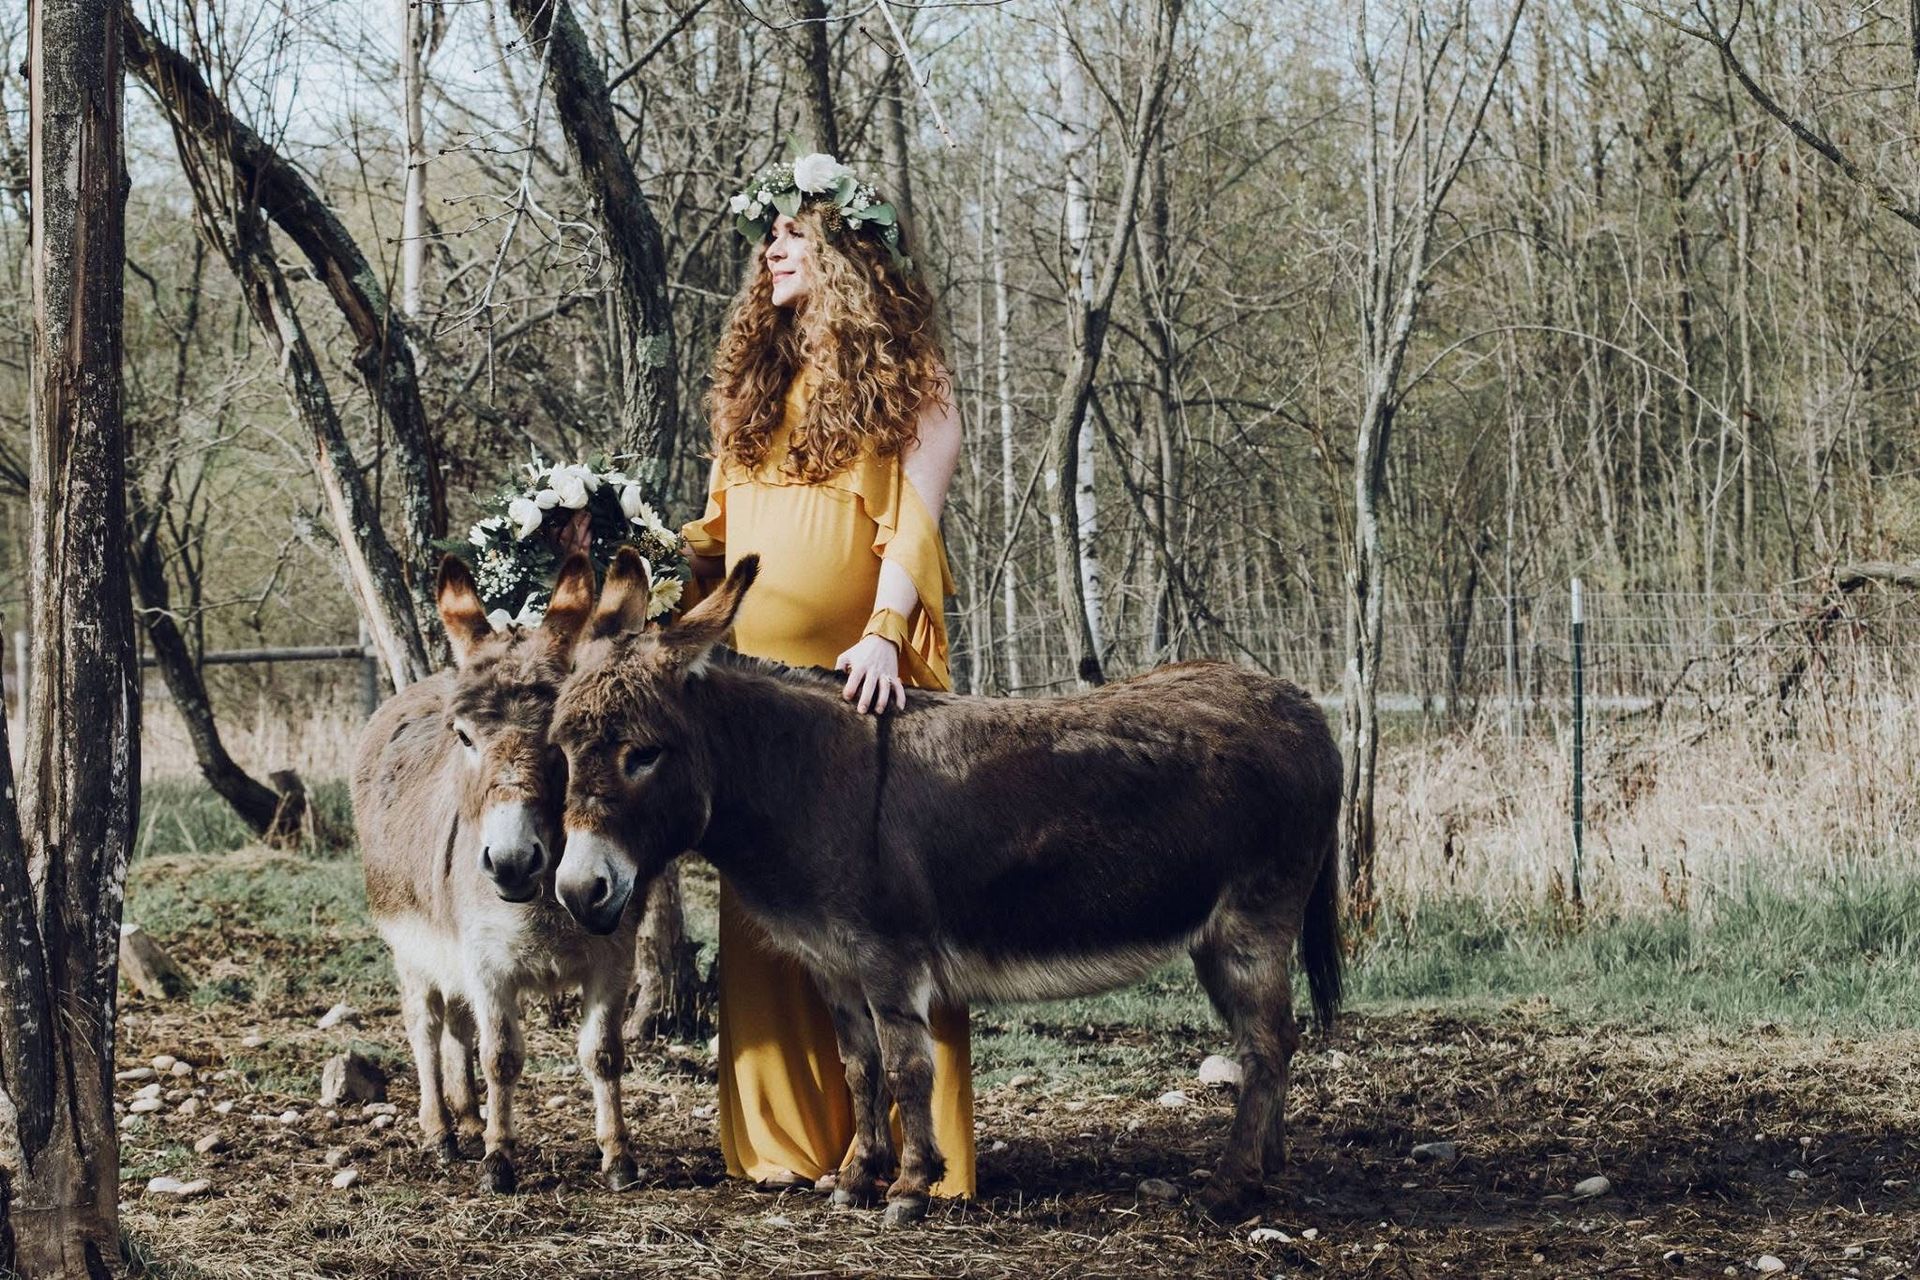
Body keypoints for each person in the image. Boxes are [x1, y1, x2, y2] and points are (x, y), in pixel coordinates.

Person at [680, 154, 975, 1199]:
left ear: (847, 252)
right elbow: (715, 538)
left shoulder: (913, 384)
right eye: (770, 237)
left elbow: (913, 526)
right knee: (771, 919)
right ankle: (784, 1142)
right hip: (753, 692)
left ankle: (916, 1147)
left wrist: (887, 633)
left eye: (793, 236)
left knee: (881, 914)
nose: (771, 250)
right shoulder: (750, 391)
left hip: (855, 689)